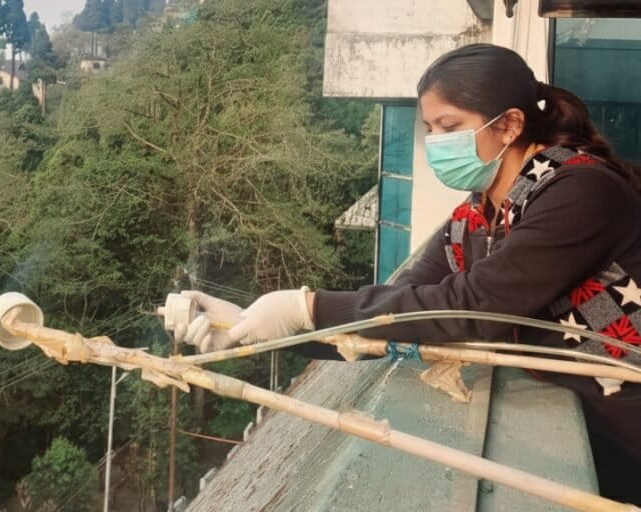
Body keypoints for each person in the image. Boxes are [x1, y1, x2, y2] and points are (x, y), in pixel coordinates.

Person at [176, 44, 641, 503]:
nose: (436, 142)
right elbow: (402, 307)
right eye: (430, 128)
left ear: (511, 125)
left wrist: (305, 305)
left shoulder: (580, 191)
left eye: (450, 126)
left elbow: (471, 305)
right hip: (597, 431)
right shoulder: (476, 217)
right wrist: (259, 327)